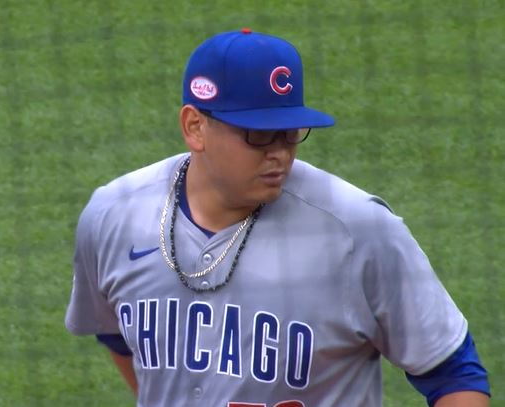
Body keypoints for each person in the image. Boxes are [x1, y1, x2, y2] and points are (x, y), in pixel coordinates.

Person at [65, 29, 490, 406]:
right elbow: (114, 333)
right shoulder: (113, 214)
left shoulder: (358, 230)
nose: (280, 154)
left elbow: (454, 374)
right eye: (259, 135)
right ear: (195, 126)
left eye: (290, 133)